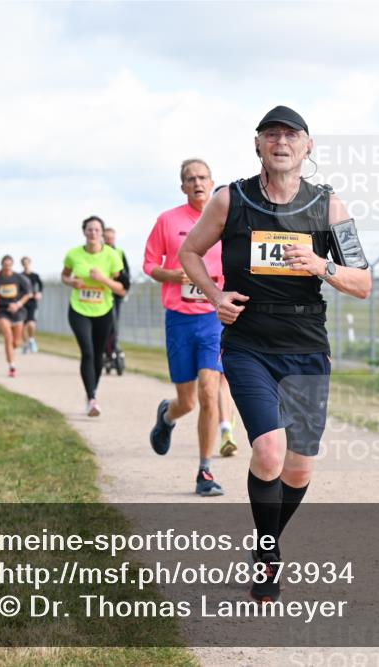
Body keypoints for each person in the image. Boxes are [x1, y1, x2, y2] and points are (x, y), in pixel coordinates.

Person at [179, 106, 371, 601]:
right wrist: (215, 295)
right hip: (248, 342)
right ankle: (268, 554)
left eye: (291, 135)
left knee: (299, 468)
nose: (281, 141)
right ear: (258, 144)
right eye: (272, 134)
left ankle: (266, 541)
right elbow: (189, 253)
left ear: (308, 147)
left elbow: (363, 282)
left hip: (306, 345)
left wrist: (320, 265)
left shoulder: (330, 207)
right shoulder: (230, 199)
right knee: (268, 451)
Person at [145, 158, 232, 497]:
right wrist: (170, 274)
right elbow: (149, 263)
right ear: (183, 186)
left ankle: (204, 471)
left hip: (213, 317)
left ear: (212, 182)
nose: (197, 183)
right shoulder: (167, 221)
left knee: (209, 392)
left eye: (202, 177)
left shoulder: (226, 222)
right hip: (179, 319)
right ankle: (167, 415)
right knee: (188, 402)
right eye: (190, 179)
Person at [62, 215, 125, 416]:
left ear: (102, 233)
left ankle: (92, 392)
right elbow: (64, 275)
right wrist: (72, 282)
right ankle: (92, 398)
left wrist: (102, 279)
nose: (93, 233)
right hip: (79, 309)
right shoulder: (73, 254)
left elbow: (121, 288)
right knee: (87, 352)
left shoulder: (112, 256)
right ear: (84, 232)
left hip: (104, 311)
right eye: (89, 229)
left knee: (98, 354)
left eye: (97, 230)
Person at [0, 255, 33, 377]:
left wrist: (17, 304)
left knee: (16, 342)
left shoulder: (19, 278)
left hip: (18, 312)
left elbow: (29, 294)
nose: (7, 267)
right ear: (2, 265)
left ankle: (12, 352)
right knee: (8, 338)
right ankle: (11, 366)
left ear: (12, 265)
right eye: (5, 265)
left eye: (9, 265)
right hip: (3, 311)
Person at [102, 227, 131, 369]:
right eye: (106, 238)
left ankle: (112, 348)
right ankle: (104, 349)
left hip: (116, 294)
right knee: (104, 324)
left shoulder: (119, 253)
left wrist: (125, 290)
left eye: (111, 238)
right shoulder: (99, 253)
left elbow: (126, 274)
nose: (109, 241)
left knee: (114, 322)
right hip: (101, 293)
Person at [20, 256, 43, 354]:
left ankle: (31, 340)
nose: (26, 264)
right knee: (21, 326)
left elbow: (41, 286)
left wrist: (39, 293)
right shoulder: (20, 276)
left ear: (29, 263)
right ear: (22, 264)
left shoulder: (35, 275)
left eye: (27, 262)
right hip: (22, 302)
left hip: (32, 302)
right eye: (24, 263)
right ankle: (25, 344)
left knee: (31, 323)